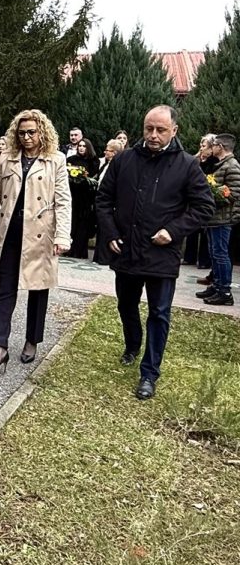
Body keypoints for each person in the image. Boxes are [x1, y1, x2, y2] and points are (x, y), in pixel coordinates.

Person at [96, 105, 213, 400]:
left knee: (159, 314)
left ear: (174, 130)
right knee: (126, 305)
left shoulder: (187, 165)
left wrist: (173, 231)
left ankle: (149, 373)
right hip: (126, 250)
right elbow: (104, 198)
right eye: (149, 128)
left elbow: (204, 207)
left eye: (161, 130)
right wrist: (110, 233)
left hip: (162, 254)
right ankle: (133, 344)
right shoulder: (124, 160)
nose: (153, 135)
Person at [0, 110, 71, 368]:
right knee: (4, 287)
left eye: (32, 132)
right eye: (22, 132)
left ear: (42, 132)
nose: (27, 137)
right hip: (10, 230)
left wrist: (62, 235)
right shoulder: (7, 158)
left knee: (38, 289)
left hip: (41, 232)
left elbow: (63, 201)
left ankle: (32, 340)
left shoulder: (56, 160)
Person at [197, 133, 240, 306]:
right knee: (215, 253)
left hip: (223, 219)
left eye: (213, 145)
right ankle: (216, 285)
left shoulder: (232, 166)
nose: (211, 148)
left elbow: (234, 194)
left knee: (221, 254)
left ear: (220, 147)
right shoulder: (221, 165)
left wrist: (212, 192)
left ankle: (225, 291)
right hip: (214, 218)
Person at [188, 134, 220, 274]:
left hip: (207, 198)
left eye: (204, 146)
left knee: (206, 232)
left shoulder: (214, 162)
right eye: (200, 145)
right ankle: (189, 257)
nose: (201, 148)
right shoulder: (197, 160)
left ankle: (204, 260)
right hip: (193, 200)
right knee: (192, 229)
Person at [66, 138, 98, 258]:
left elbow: (94, 179)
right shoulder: (71, 160)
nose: (81, 148)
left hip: (86, 197)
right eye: (80, 146)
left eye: (84, 146)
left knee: (83, 224)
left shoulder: (93, 162)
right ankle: (70, 248)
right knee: (72, 222)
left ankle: (80, 251)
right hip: (73, 195)